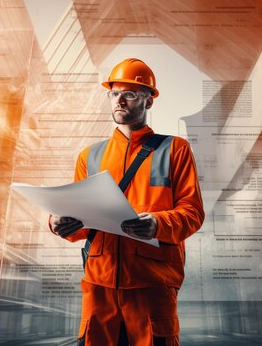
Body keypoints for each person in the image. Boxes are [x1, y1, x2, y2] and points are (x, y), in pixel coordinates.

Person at [49, 58, 204, 346]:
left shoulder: (175, 150)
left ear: (149, 101)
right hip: (98, 288)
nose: (119, 100)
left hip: (151, 286)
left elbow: (192, 213)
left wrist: (158, 224)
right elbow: (82, 223)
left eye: (130, 94)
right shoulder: (89, 156)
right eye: (114, 93)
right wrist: (59, 223)